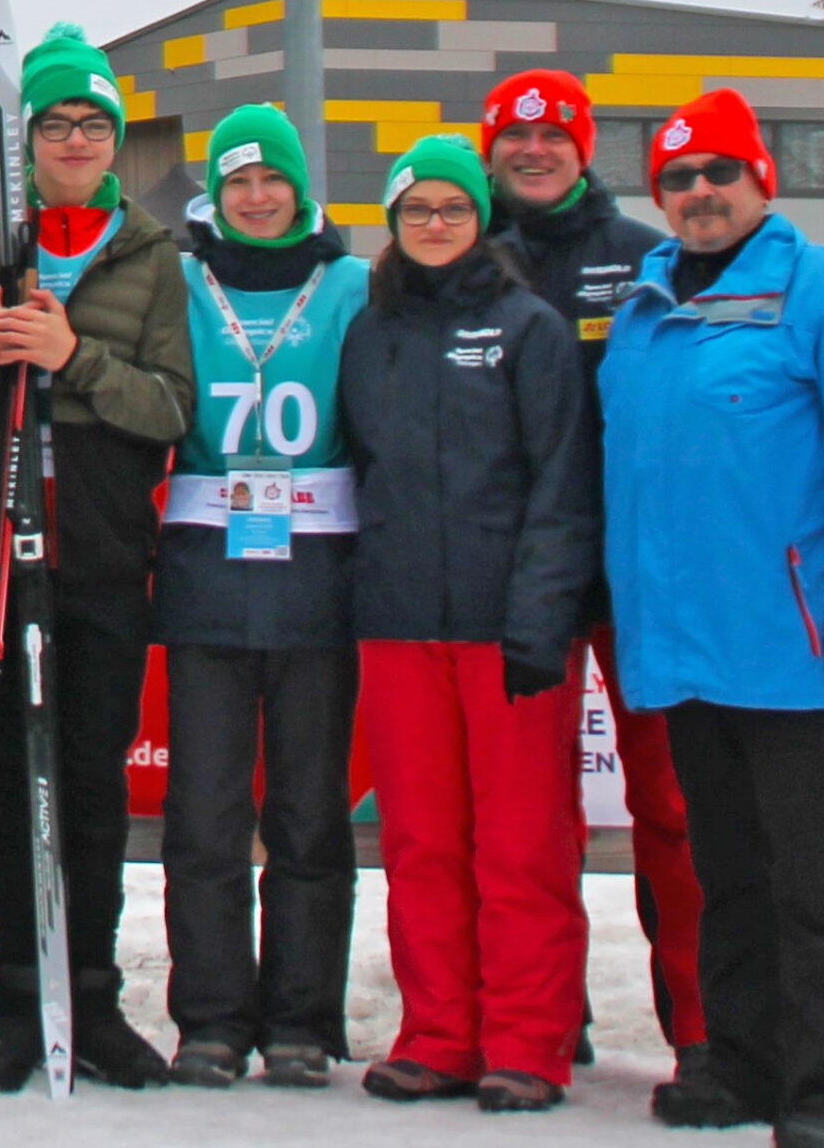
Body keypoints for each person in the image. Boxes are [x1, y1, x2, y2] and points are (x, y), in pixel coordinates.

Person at [600, 89, 824, 1148]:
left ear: (760, 180)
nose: (699, 192)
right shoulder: (644, 312)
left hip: (789, 646)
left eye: (719, 172)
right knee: (726, 874)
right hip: (684, 649)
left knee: (818, 880)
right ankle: (746, 1062)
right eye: (678, 178)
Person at [0, 22, 197, 1090]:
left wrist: (73, 355)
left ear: (115, 137)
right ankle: (15, 998)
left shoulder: (154, 256)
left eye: (94, 122)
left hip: (100, 543)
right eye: (55, 123)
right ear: (27, 140)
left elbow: (171, 407)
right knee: (8, 773)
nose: (76, 139)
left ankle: (90, 995)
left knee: (89, 774)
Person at [338, 135, 597, 1113]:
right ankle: (439, 1032)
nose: (435, 223)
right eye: (417, 208)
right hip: (399, 623)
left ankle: (527, 1041)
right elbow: (358, 467)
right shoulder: (371, 332)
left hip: (506, 632)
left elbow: (561, 484)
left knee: (521, 845)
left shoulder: (529, 327)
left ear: (480, 218)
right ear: (394, 221)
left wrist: (541, 617)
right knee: (421, 842)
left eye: (452, 207)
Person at [478, 67, 705, 1086]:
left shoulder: (646, 256)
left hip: (634, 577)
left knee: (674, 808)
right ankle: (539, 1020)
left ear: (582, 148)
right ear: (488, 149)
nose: (533, 152)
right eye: (514, 137)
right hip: (512, 577)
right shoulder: (459, 252)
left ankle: (703, 1030)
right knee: (527, 816)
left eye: (554, 137)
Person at [153, 105, 368, 1090]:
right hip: (208, 570)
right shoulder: (180, 280)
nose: (255, 196)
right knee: (203, 811)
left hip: (319, 576)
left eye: (271, 178)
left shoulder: (352, 284)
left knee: (309, 812)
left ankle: (300, 1018)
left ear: (299, 186)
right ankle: (209, 1017)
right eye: (236, 180)